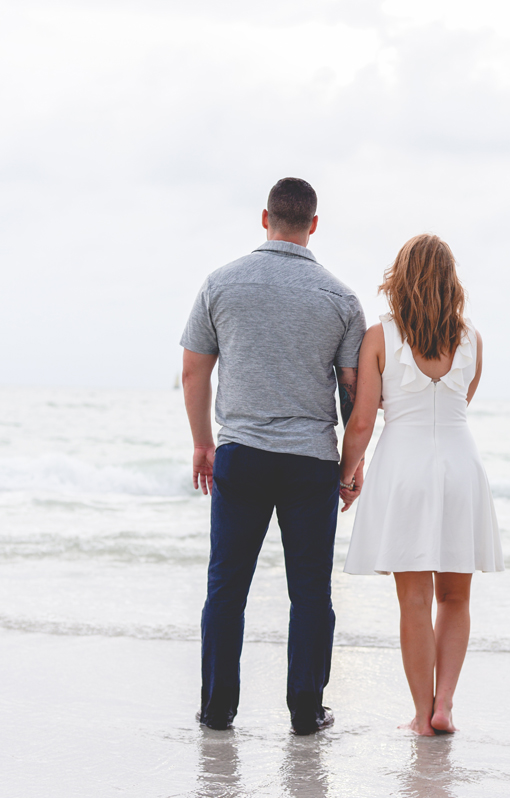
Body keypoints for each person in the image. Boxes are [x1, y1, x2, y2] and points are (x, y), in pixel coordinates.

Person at [180, 177, 367, 735]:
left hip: (241, 454)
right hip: (310, 462)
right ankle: (306, 712)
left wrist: (202, 443)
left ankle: (217, 709)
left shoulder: (222, 283)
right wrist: (352, 469)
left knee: (226, 586)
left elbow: (194, 369)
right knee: (310, 591)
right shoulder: (340, 299)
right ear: (312, 224)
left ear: (265, 219)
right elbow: (354, 395)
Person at [339, 234, 502, 736]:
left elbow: (363, 420)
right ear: (452, 282)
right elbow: (461, 402)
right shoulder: (473, 339)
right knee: (457, 596)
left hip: (403, 468)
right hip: (461, 468)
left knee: (414, 599)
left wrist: (345, 474)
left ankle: (420, 713)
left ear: (400, 278)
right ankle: (445, 704)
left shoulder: (378, 337)